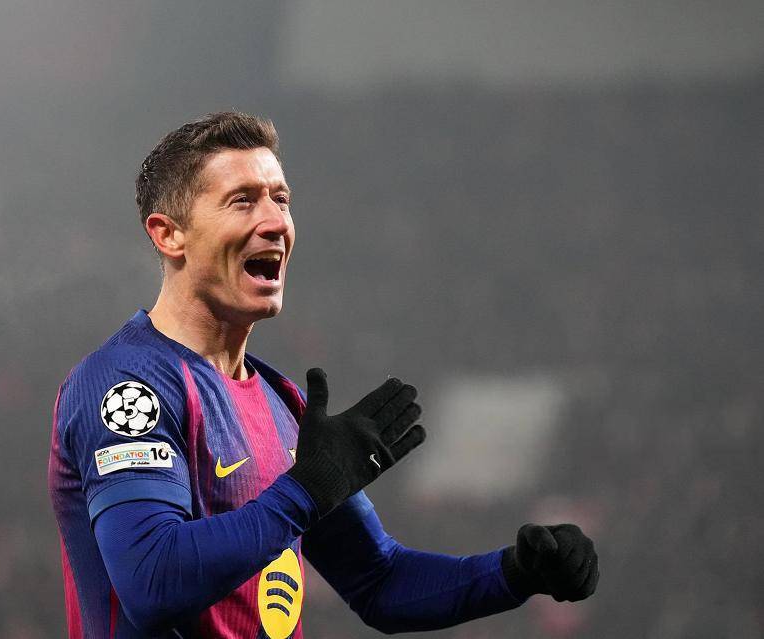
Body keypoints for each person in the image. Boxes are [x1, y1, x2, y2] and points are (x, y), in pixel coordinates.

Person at [48, 112, 599, 639]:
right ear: (170, 235)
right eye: (242, 201)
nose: (275, 222)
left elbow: (381, 581)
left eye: (280, 199)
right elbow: (152, 581)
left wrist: (515, 572)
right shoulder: (127, 385)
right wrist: (308, 489)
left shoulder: (281, 404)